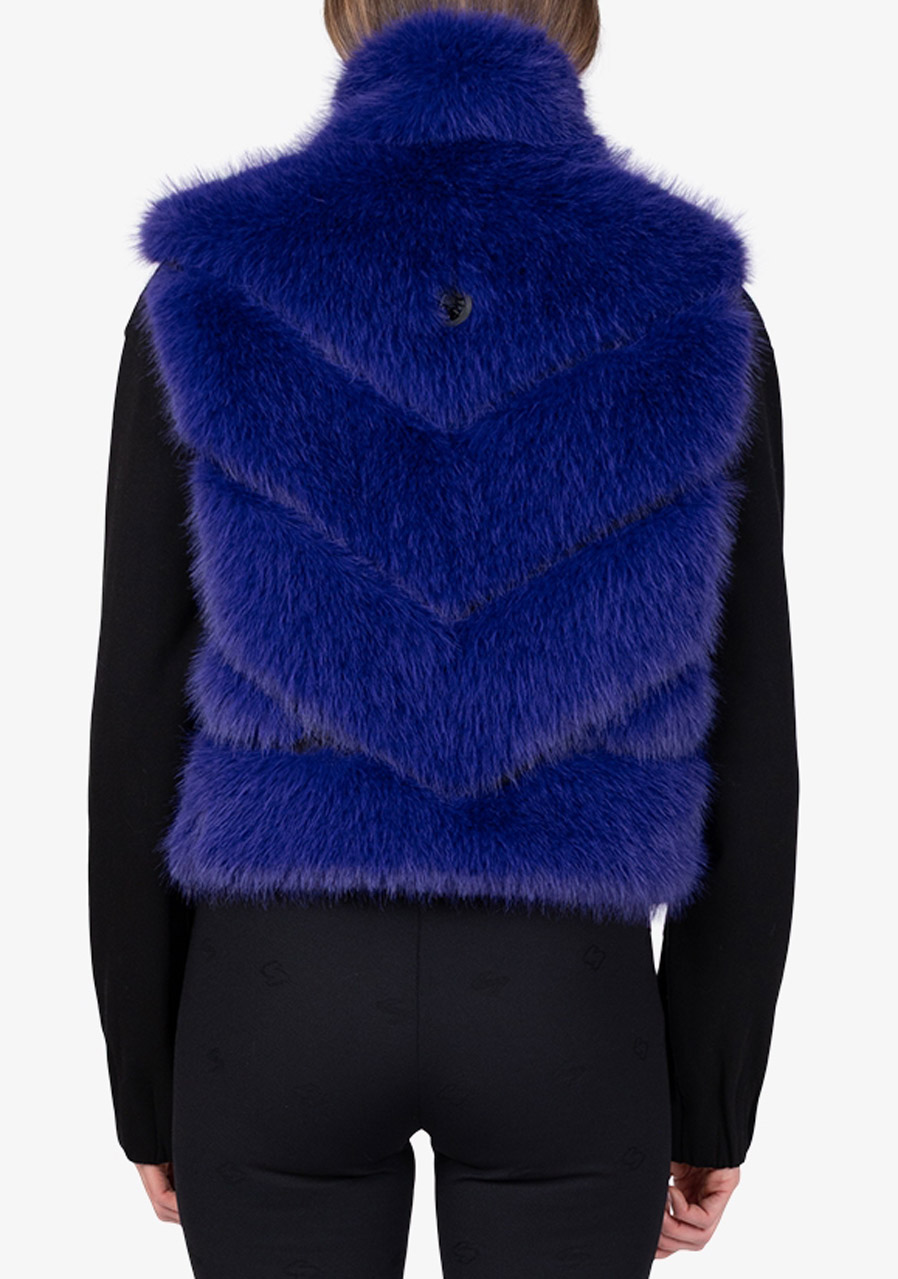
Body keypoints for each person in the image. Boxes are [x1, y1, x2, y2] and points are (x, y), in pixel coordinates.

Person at [88, 2, 799, 1275]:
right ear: (577, 23)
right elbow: (752, 726)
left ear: (346, 15)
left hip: (275, 994)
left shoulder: (212, 290)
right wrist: (711, 1091)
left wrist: (146, 1075)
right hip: (565, 1001)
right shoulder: (692, 305)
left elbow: (138, 702)